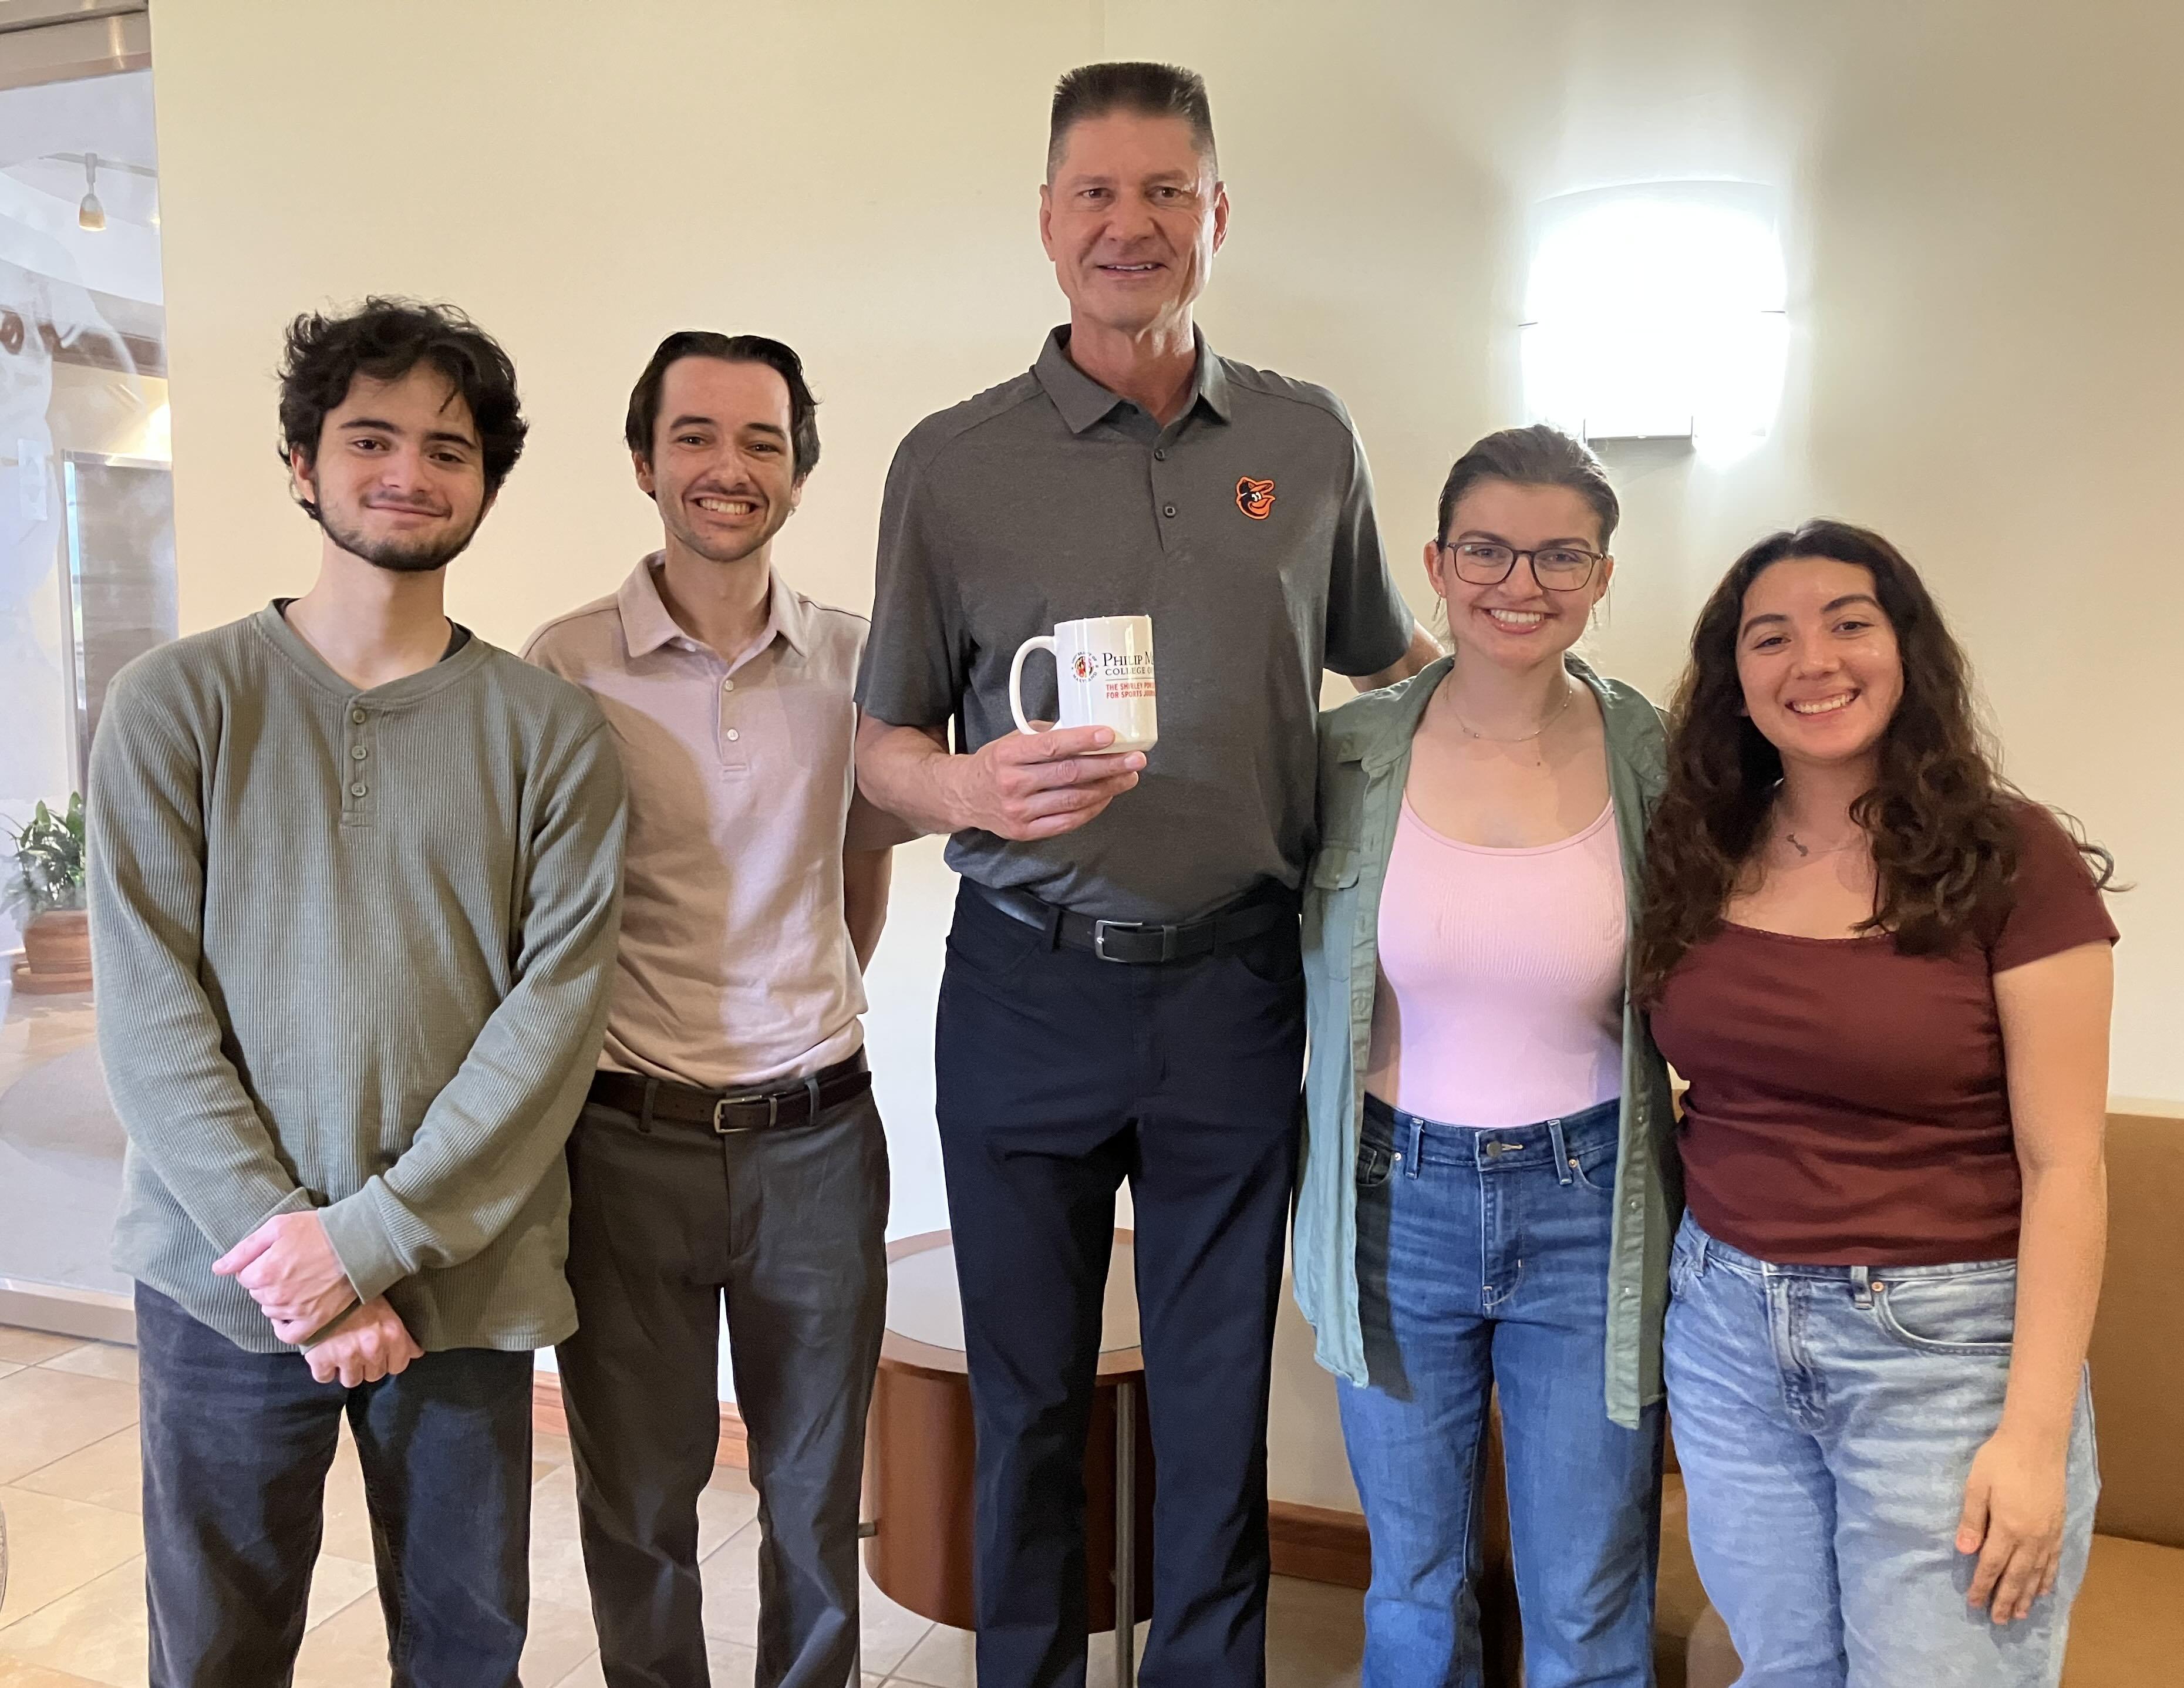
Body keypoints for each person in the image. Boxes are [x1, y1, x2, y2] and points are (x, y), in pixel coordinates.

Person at [854, 59, 1437, 1688]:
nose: (1132, 225)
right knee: (1028, 1397)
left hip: (1237, 987)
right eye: (1098, 194)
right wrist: (965, 780)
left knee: (1209, 1395)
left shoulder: (1311, 444)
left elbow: (1397, 679)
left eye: (1166, 192)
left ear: (1217, 217)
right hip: (1024, 985)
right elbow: (878, 745)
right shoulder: (951, 466)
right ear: (1047, 224)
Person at [86, 298, 627, 1687]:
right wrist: (302, 1262)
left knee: (465, 1652)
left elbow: (555, 1019)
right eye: (370, 437)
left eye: (449, 450)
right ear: (300, 463)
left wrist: (374, 1239)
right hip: (227, 1279)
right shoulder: (175, 703)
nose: (409, 472)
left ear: (487, 487)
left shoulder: (548, 730)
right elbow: (149, 1014)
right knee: (216, 1649)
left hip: (462, 1277)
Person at [1637, 520, 2115, 1686]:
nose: (1815, 660)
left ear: (1907, 650)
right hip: (1727, 1333)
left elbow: (2067, 1167)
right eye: (1771, 636)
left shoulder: (2011, 854)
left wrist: (2036, 1432)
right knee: (1785, 1670)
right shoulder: (1704, 848)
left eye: (1850, 622)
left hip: (1943, 1350)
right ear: (1733, 681)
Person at [524, 332, 903, 1688]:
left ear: (800, 473)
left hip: (817, 1138)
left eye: (761, 441)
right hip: (627, 1142)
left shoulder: (861, 661)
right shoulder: (565, 665)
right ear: (644, 461)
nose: (727, 467)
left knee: (813, 1497)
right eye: (695, 436)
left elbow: (860, 872)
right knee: (639, 1499)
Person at [1293, 425, 1676, 1686]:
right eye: (1489, 551)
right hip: (1395, 1198)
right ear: (1437, 564)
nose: (1522, 583)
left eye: (1560, 554)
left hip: (1595, 1206)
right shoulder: (1349, 757)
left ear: (1603, 574)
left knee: (1587, 1588)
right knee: (1414, 1581)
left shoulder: (1657, 758)